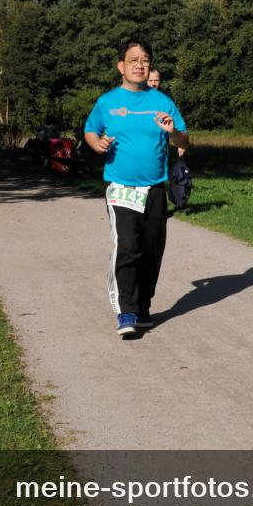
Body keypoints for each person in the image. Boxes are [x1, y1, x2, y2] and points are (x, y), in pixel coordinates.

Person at [84, 36, 189, 337]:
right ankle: (126, 311)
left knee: (152, 250)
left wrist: (174, 133)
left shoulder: (162, 101)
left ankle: (143, 307)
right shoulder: (107, 102)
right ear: (121, 66)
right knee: (128, 247)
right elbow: (90, 131)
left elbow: (184, 141)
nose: (140, 65)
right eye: (134, 60)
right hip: (120, 188)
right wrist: (98, 144)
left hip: (155, 188)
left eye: (145, 60)